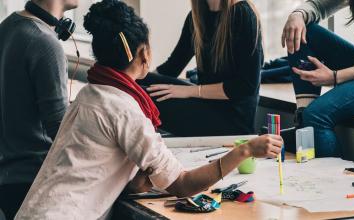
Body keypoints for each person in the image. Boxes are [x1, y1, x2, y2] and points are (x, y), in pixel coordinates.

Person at [15, 1, 283, 219]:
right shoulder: (127, 112)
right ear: (144, 54)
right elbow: (182, 184)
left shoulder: (87, 96)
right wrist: (245, 150)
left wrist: (140, 176)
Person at [281, 0, 354, 157]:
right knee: (305, 30)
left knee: (316, 115)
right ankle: (303, 125)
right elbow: (318, 6)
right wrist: (297, 15)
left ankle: (332, 178)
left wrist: (335, 77)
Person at [138, 0, 263, 136]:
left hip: (233, 122)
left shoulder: (243, 14)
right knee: (133, 81)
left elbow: (245, 86)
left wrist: (189, 91)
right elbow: (171, 67)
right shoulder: (196, 17)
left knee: (141, 94)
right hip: (206, 104)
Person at [0, 0, 78, 218]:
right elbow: (60, 130)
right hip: (34, 180)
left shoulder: (8, 26)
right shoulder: (45, 42)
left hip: (8, 178)